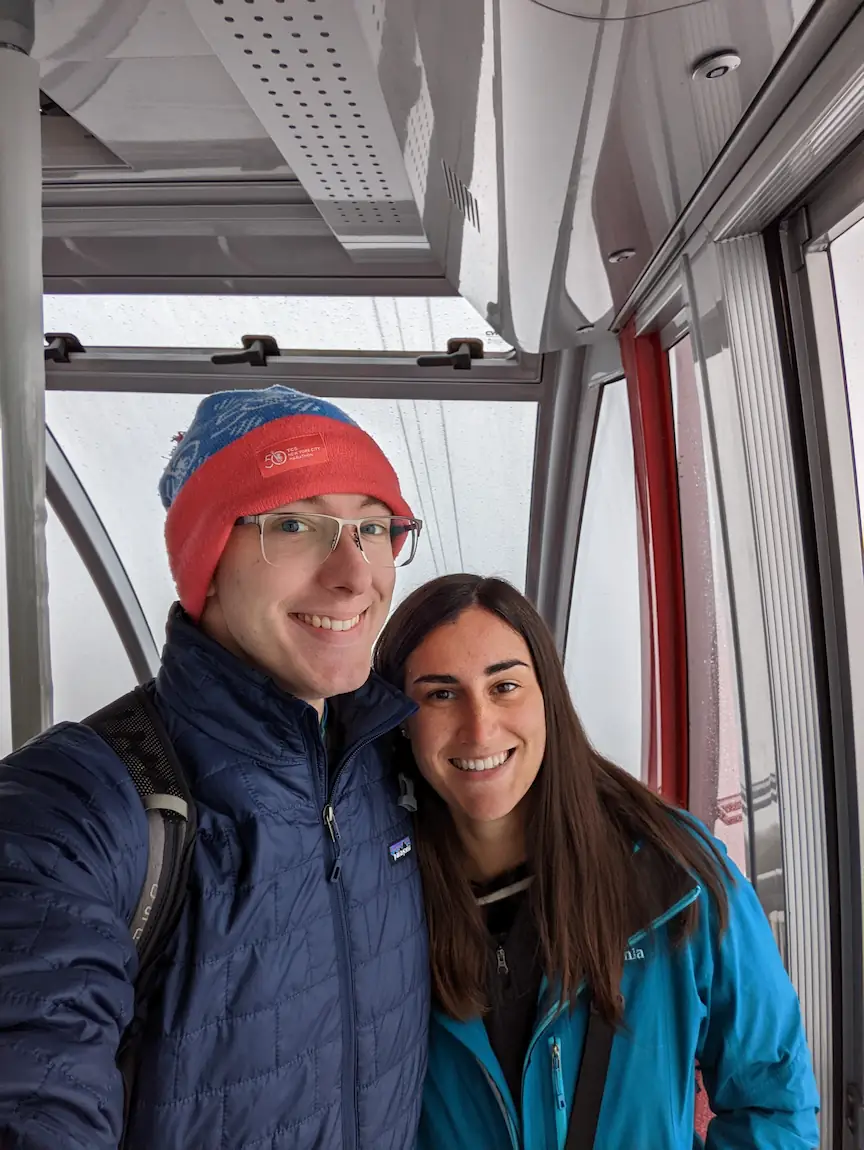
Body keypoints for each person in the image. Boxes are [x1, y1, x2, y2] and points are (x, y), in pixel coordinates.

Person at [0, 386, 430, 1150]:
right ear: (206, 562)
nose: (355, 574)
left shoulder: (392, 766)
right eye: (294, 523)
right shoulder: (79, 809)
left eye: (373, 526)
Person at [373, 573, 820, 1149]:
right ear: (401, 723)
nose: (480, 727)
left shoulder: (672, 874)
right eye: (440, 694)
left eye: (504, 686)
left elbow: (772, 1099)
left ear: (547, 698)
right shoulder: (380, 898)